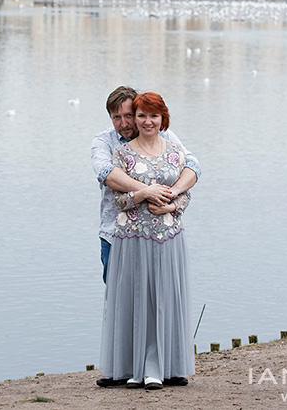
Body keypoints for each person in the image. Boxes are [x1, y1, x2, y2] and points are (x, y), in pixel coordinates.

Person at [91, 87, 199, 387]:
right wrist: (144, 191)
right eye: (120, 117)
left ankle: (168, 367)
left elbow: (193, 171)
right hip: (119, 235)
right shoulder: (111, 147)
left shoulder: (172, 144)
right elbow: (109, 178)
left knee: (165, 299)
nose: (127, 122)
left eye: (132, 115)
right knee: (123, 301)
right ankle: (124, 368)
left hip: (167, 236)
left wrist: (173, 199)